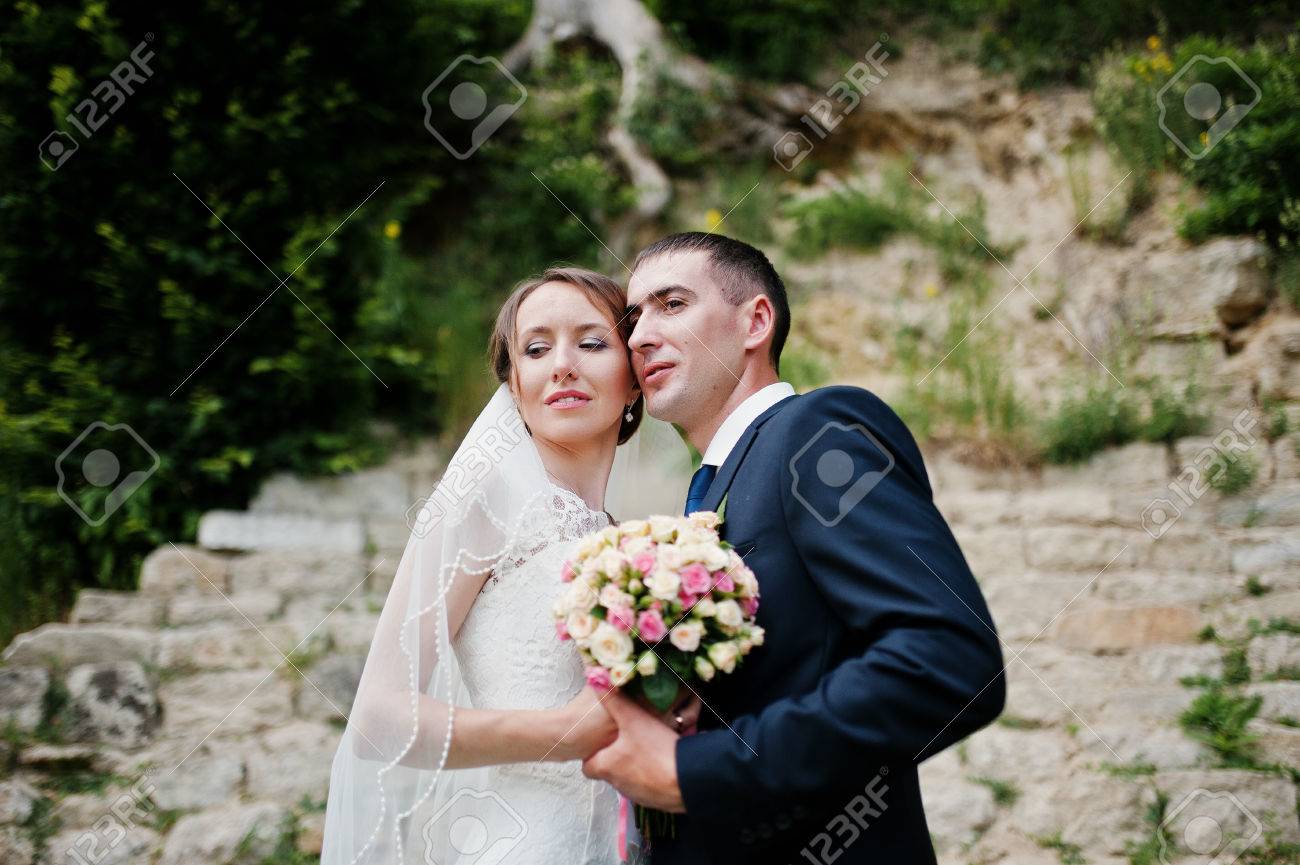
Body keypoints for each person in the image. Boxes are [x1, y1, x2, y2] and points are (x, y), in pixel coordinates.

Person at [580, 232, 1007, 865]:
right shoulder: (710, 493)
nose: (639, 336)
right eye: (634, 317)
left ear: (755, 321)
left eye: (671, 304)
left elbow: (947, 657)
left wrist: (703, 771)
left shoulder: (817, 433)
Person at [320, 266, 693, 865]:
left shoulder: (632, 544)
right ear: (515, 386)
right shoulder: (484, 505)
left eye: (592, 343)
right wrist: (562, 735)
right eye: (536, 348)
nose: (562, 365)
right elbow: (378, 719)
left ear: (634, 382)